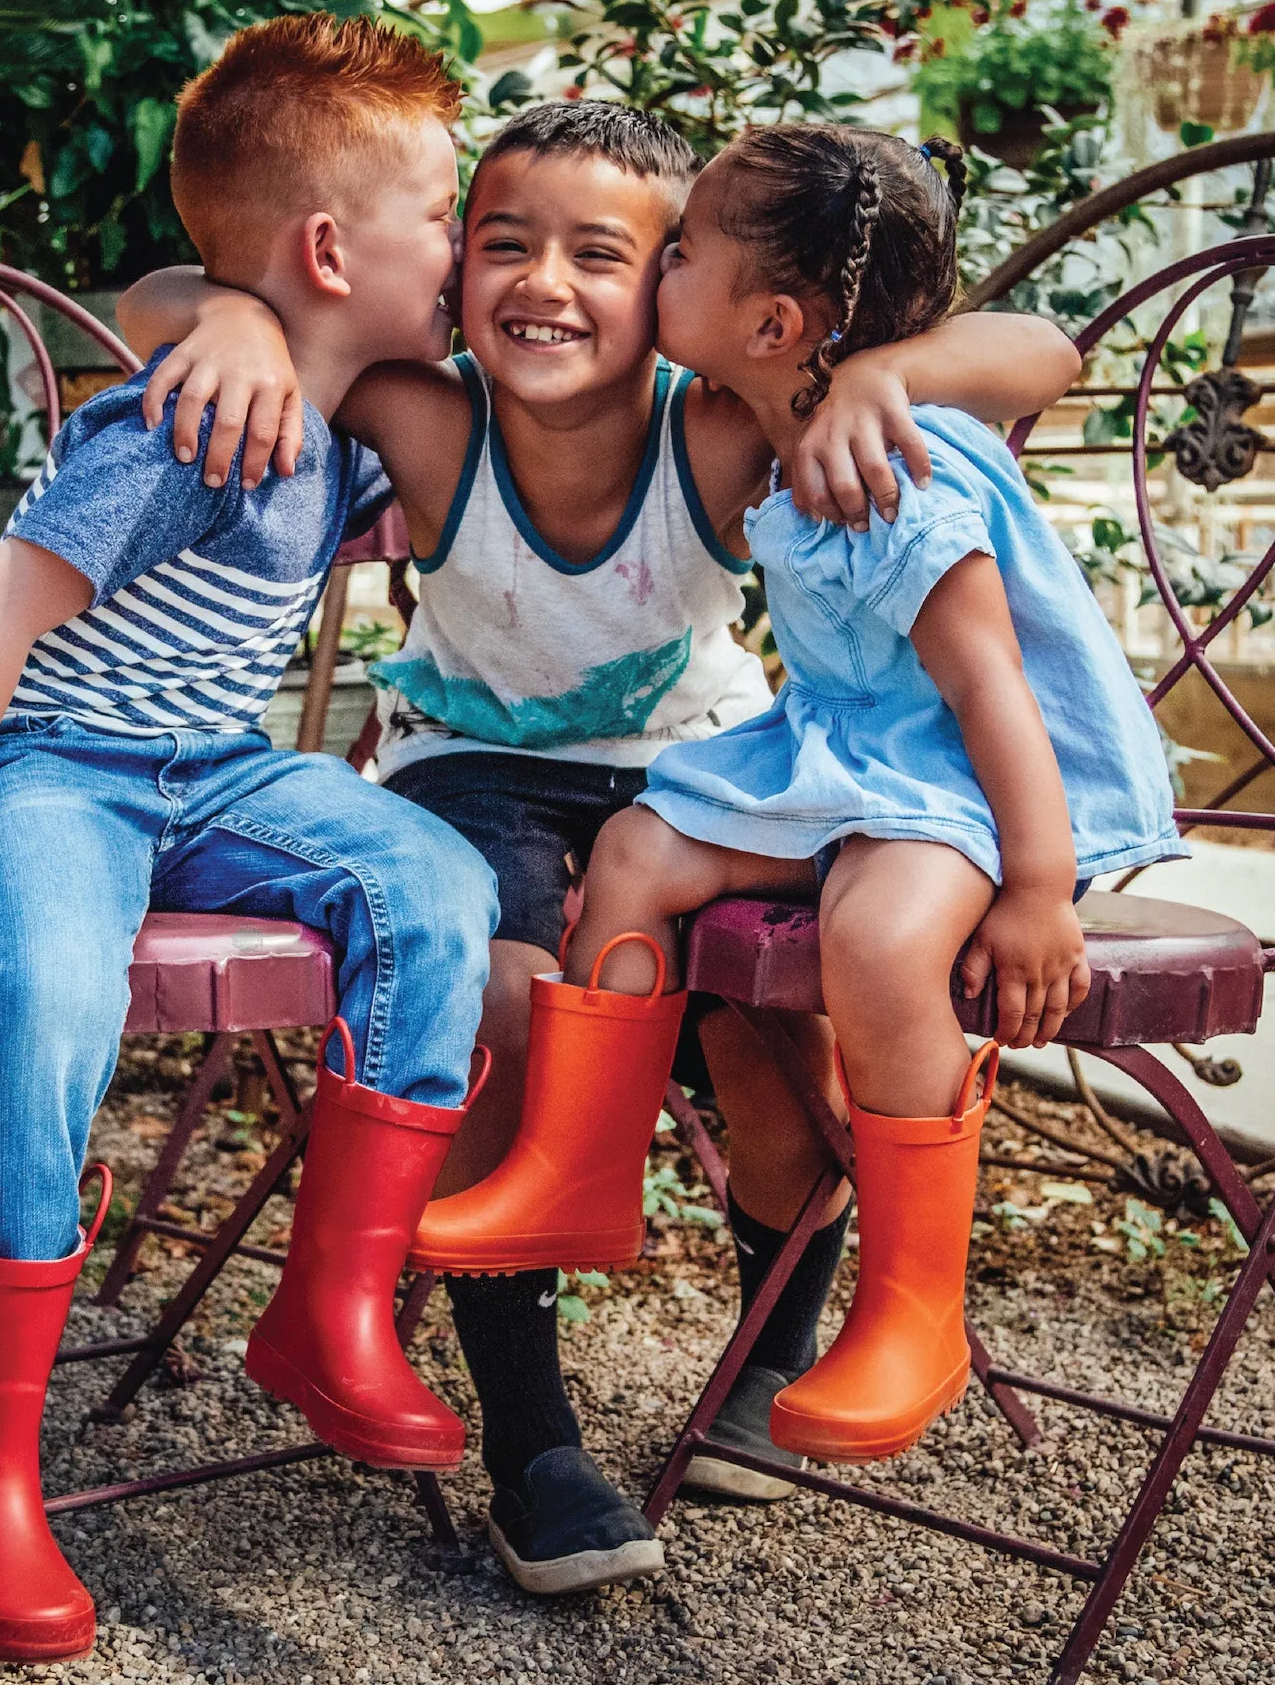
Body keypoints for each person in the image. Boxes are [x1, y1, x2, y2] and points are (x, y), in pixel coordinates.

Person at [117, 102, 1081, 1595]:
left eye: (603, 254)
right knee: (501, 1002)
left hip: (702, 776)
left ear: (681, 294)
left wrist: (878, 370)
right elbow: (152, 301)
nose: (542, 283)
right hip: (473, 770)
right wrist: (239, 322)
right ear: (452, 277)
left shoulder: (726, 427)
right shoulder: (419, 411)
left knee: (781, 1028)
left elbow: (1044, 355)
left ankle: (771, 1361)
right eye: (502, 244)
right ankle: (535, 1437)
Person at [0, 15, 501, 1663]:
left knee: (434, 879)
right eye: (446, 215)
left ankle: (330, 1310)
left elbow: (198, 301)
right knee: (48, 985)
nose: (466, 246)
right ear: (334, 250)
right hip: (53, 771)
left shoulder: (339, 417)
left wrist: (219, 308)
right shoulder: (183, 430)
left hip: (215, 773)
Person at [433, 124, 1185, 1467]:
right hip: (842, 755)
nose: (660, 270)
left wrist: (1032, 888)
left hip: (961, 785)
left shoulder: (897, 464)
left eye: (678, 254)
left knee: (878, 939)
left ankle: (913, 1306)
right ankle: (578, 1169)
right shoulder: (775, 423)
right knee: (640, 850)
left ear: (772, 321)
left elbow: (995, 689)